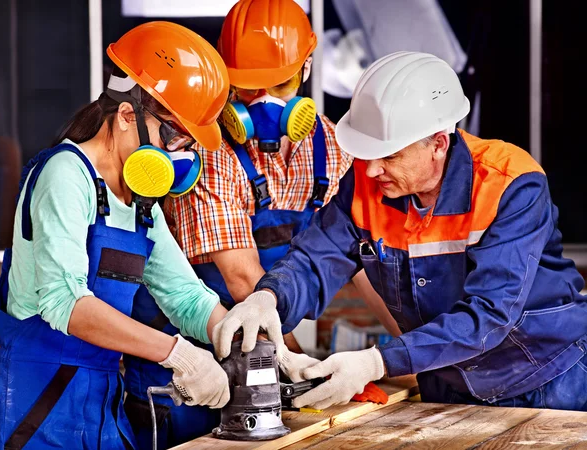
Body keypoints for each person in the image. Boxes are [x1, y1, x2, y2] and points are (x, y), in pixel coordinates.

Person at [212, 51, 587, 412]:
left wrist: (377, 362)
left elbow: (489, 314)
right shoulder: (367, 184)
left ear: (438, 144)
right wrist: (269, 299)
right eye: (366, 154)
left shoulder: (511, 185)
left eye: (389, 156)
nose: (372, 170)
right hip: (447, 388)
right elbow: (315, 258)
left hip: (549, 382)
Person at [124, 1, 399, 446]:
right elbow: (244, 280)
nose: (264, 103)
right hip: (186, 371)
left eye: (278, 85)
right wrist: (302, 367)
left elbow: (363, 260)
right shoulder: (207, 151)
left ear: (306, 68)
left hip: (265, 360)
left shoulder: (330, 145)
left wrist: (411, 352)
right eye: (248, 89)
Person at [0, 22, 233, 449]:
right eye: (173, 135)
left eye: (188, 142)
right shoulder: (65, 175)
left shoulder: (140, 202)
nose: (179, 154)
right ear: (125, 116)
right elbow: (67, 304)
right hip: (34, 408)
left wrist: (249, 340)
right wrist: (176, 353)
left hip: (100, 407)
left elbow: (186, 296)